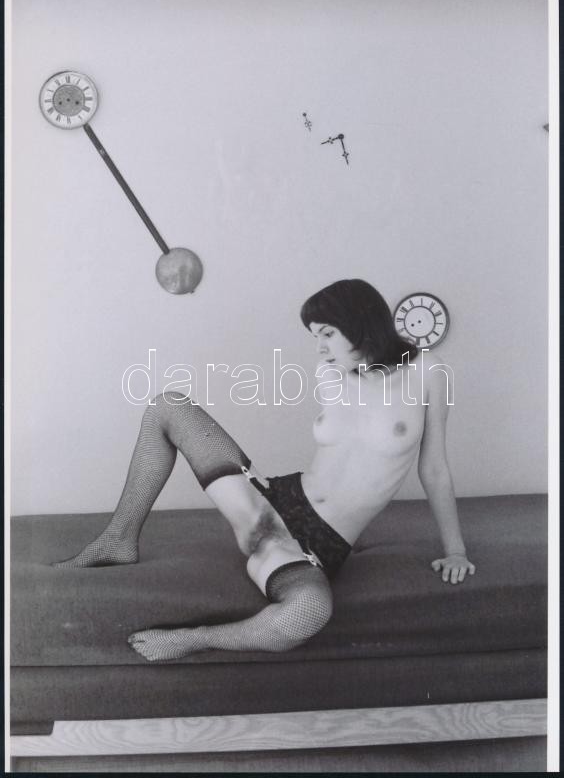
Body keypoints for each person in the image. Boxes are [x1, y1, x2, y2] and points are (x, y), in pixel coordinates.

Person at [54, 279, 475, 661]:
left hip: (315, 546)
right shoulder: (330, 373)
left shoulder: (429, 371)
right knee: (168, 406)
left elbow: (434, 468)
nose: (320, 348)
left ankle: (194, 639)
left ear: (361, 322)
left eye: (328, 334)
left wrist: (454, 550)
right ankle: (118, 538)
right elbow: (349, 454)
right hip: (273, 500)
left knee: (309, 612)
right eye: (315, 337)